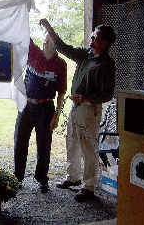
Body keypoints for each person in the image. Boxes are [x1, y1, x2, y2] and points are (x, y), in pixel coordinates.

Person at [40, 18, 116, 202]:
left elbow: (107, 94)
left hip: (90, 110)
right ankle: (73, 178)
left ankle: (89, 187)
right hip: (76, 107)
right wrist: (49, 28)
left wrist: (87, 98)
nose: (91, 40)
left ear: (105, 42)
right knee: (72, 141)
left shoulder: (107, 64)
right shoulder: (86, 55)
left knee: (88, 147)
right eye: (92, 37)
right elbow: (64, 48)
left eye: (95, 38)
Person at [14, 36, 67, 193]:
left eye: (49, 41)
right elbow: (21, 30)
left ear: (56, 44)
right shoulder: (34, 52)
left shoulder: (60, 64)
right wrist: (23, 10)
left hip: (46, 108)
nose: (45, 42)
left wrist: (56, 115)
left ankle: (42, 178)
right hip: (26, 105)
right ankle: (17, 177)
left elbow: (62, 92)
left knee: (44, 145)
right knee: (20, 142)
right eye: (44, 40)